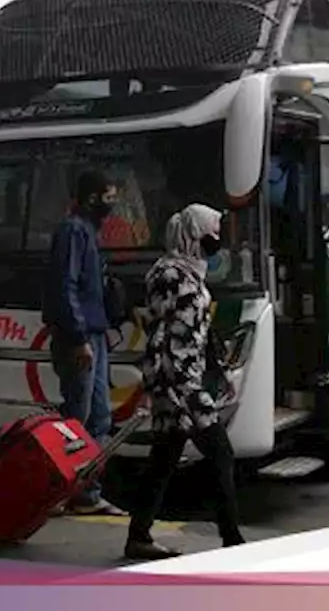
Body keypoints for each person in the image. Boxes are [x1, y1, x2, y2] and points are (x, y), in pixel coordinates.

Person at [125, 204, 244, 560]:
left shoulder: (188, 272)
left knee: (163, 459)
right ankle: (232, 541)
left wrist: (218, 373)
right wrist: (172, 389)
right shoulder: (170, 274)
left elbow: (195, 332)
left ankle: (138, 536)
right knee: (220, 453)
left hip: (183, 379)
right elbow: (162, 334)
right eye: (212, 232)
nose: (216, 240)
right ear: (194, 234)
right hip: (178, 383)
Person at [42, 170, 124, 516]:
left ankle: (87, 491)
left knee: (99, 417)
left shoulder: (88, 232)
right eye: (108, 197)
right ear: (92, 198)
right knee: (79, 416)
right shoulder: (73, 231)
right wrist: (79, 338)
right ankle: (62, 489)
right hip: (79, 339)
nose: (112, 204)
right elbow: (65, 287)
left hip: (93, 335)